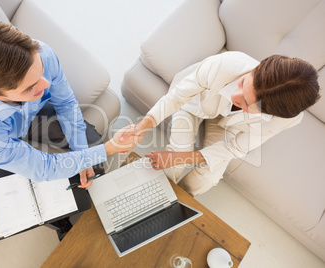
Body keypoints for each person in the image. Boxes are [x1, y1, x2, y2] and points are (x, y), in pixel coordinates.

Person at [0, 18, 138, 239]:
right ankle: (62, 224)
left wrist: (83, 155)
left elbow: (65, 103)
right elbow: (44, 168)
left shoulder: (41, 53)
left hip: (31, 115)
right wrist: (109, 149)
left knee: (91, 145)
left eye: (41, 72)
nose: (46, 84)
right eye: (31, 87)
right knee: (15, 200)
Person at [121, 51, 320, 197]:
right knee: (177, 151)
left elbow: (234, 147)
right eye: (242, 84)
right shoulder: (225, 64)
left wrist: (183, 159)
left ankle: (176, 199)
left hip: (229, 127)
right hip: (195, 104)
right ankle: (154, 196)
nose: (235, 95)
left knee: (207, 177)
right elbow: (177, 97)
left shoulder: (285, 119)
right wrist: (140, 127)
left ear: (269, 113)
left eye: (245, 102)